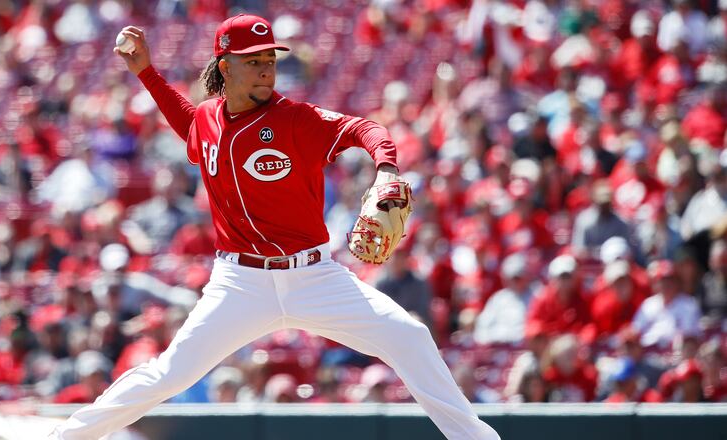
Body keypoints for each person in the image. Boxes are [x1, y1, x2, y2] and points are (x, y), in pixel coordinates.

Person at [49, 14, 500, 440]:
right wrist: (147, 73)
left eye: (270, 60)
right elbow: (190, 123)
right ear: (225, 66)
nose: (267, 69)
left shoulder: (296, 119)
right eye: (254, 61)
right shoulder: (207, 117)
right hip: (240, 283)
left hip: (314, 276)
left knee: (411, 337)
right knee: (169, 373)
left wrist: (384, 168)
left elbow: (365, 127)